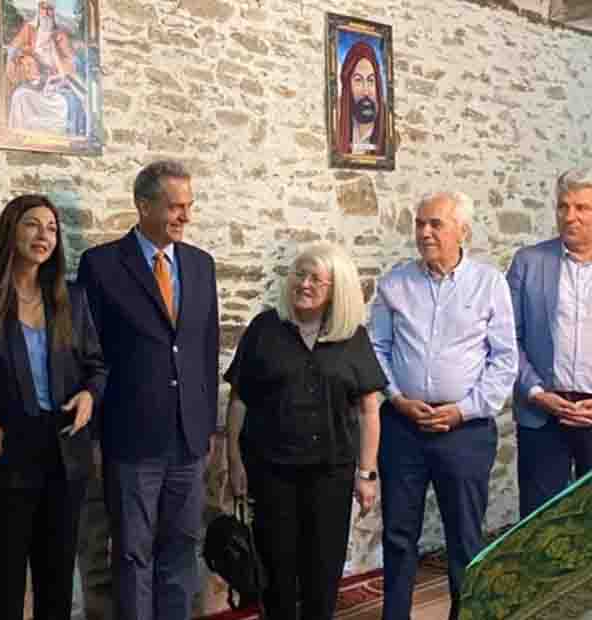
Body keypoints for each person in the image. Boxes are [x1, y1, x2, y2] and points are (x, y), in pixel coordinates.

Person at [0, 194, 107, 620]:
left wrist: (90, 394)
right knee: (7, 584)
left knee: (57, 583)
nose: (43, 235)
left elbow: (97, 366)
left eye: (51, 228)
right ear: (10, 231)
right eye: (32, 224)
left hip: (64, 448)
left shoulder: (72, 299)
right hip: (6, 452)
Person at [77, 160, 219, 620]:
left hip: (189, 439)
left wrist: (208, 426)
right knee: (132, 553)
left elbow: (205, 348)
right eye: (175, 206)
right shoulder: (101, 265)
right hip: (131, 438)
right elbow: (89, 352)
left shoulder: (200, 265)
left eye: (189, 206)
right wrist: (96, 434)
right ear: (143, 205)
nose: (186, 216)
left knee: (182, 548)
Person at [368, 192, 517, 620]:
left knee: (465, 538)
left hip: (465, 431)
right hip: (403, 428)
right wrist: (398, 398)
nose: (425, 232)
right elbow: (377, 349)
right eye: (420, 223)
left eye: (435, 224)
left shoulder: (489, 283)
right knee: (398, 535)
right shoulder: (395, 284)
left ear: (462, 231)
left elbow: (504, 359)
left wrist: (464, 410)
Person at [225, 243, 386, 620]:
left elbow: (369, 411)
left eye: (316, 278)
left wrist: (367, 474)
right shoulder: (265, 329)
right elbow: (239, 400)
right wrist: (233, 460)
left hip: (330, 473)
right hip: (271, 471)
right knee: (276, 570)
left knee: (323, 571)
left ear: (336, 289)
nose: (304, 284)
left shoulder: (353, 337)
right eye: (299, 274)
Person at [508, 166, 592, 518]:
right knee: (540, 523)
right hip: (542, 413)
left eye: (582, 208)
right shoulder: (528, 262)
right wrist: (536, 393)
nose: (569, 216)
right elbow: (508, 338)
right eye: (563, 207)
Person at [6, 0, 87, 135]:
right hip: (35, 81)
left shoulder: (59, 35)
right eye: (44, 8)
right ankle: (18, 133)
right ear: (39, 10)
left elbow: (73, 62)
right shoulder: (29, 29)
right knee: (19, 96)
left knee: (65, 104)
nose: (47, 13)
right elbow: (14, 48)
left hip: (56, 85)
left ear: (54, 12)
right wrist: (20, 58)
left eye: (50, 9)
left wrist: (59, 59)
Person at [336, 40, 387, 156]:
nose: (366, 91)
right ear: (348, 85)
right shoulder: (338, 123)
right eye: (358, 80)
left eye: (370, 80)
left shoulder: (387, 130)